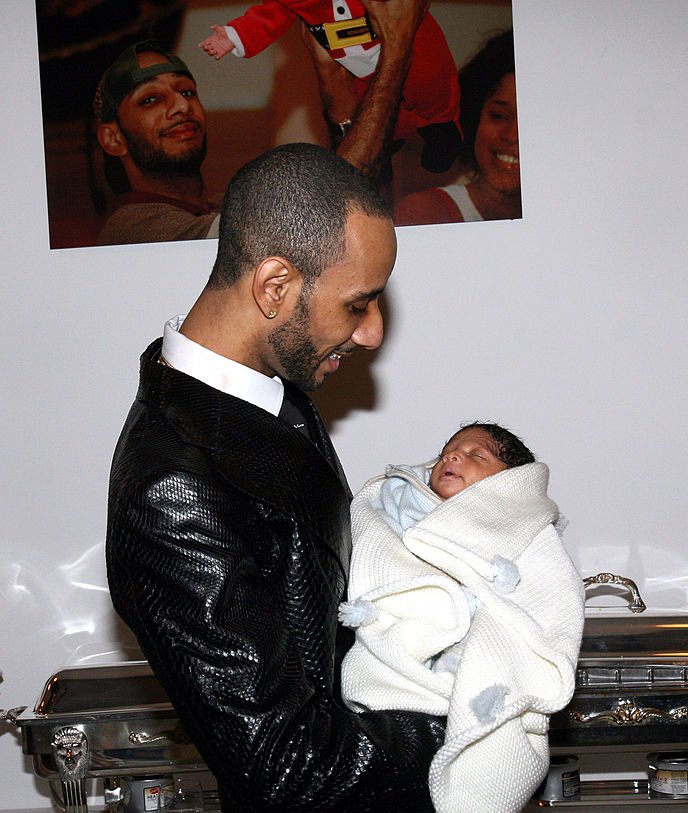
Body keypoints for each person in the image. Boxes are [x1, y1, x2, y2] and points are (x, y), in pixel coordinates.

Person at [106, 142, 445, 812]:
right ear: (274, 287)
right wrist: (476, 720)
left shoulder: (274, 393)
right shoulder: (170, 491)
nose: (374, 332)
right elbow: (288, 765)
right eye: (358, 304)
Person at [339, 423, 584, 813]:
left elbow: (549, 595)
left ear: (508, 483)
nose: (452, 457)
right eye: (448, 451)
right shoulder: (397, 502)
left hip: (476, 659)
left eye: (477, 455)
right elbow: (374, 553)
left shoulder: (525, 526)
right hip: (403, 668)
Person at [93, 0, 437, 245]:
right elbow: (332, 205)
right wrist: (396, 54)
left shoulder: (224, 205)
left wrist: (331, 76)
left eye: (187, 92)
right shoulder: (134, 227)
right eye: (150, 100)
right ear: (112, 138)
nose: (180, 106)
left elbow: (361, 208)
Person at [198, 0, 462, 172]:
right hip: (349, 57)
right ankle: (387, 141)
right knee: (367, 105)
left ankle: (440, 125)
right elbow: (268, 16)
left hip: (407, 36)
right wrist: (232, 36)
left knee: (430, 80)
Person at [394, 30, 520, 225]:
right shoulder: (426, 214)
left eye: (528, 121)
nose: (512, 136)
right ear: (475, 117)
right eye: (499, 116)